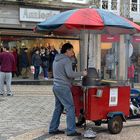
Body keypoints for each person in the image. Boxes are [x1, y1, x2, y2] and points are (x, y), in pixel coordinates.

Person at [49, 43, 87, 136]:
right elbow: (70, 74)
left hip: (56, 86)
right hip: (63, 87)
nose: (73, 52)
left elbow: (62, 74)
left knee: (58, 108)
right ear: (67, 50)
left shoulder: (56, 59)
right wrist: (82, 73)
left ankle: (53, 128)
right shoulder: (66, 60)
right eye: (72, 50)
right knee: (70, 107)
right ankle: (71, 130)